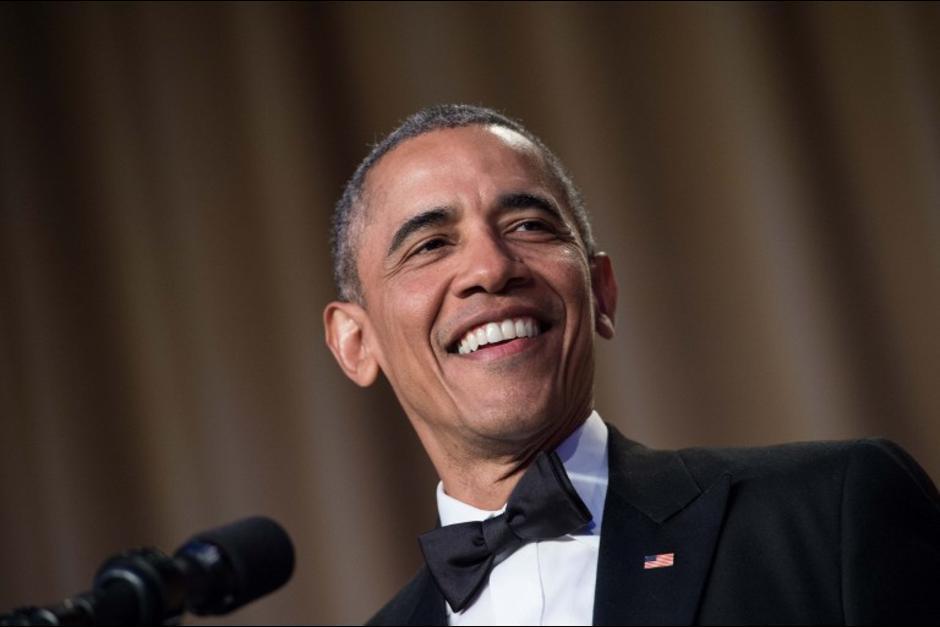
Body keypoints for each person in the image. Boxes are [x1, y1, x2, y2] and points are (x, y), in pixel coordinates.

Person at [323, 105, 940, 625]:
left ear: (601, 291)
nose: (491, 267)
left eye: (529, 225)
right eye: (430, 245)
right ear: (355, 342)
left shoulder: (828, 512)